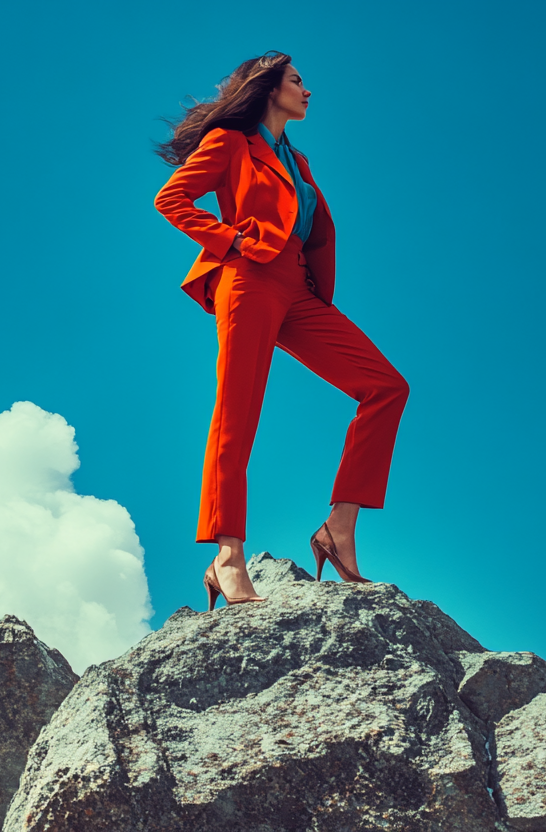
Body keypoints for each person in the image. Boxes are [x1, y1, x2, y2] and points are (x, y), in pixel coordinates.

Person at [154, 52, 409, 610]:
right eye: (297, 81)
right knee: (237, 414)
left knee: (387, 388)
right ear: (269, 89)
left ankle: (338, 528)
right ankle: (227, 558)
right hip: (248, 278)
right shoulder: (230, 142)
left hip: (298, 288)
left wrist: (309, 284)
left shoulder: (300, 160)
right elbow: (171, 199)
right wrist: (231, 242)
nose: (307, 91)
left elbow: (313, 231)